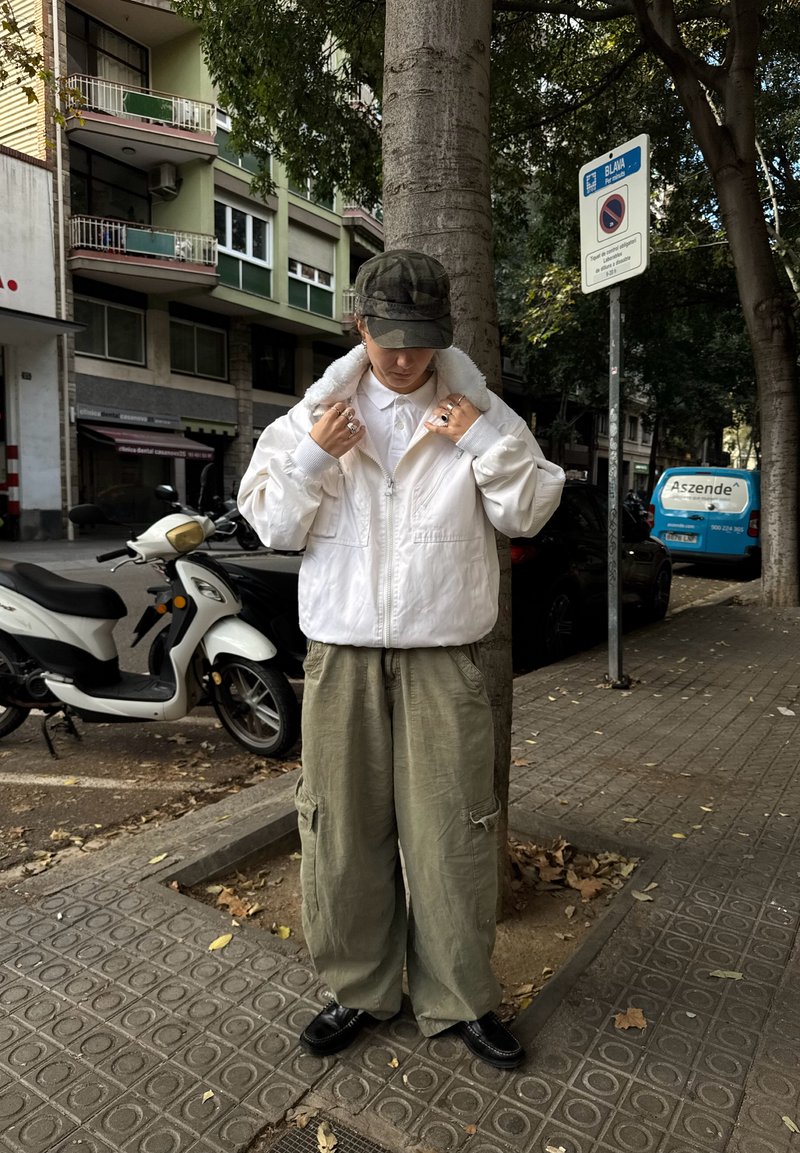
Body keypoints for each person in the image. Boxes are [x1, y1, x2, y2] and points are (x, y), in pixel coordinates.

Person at [238, 250, 565, 1069]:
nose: (406, 357)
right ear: (360, 325)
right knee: (341, 831)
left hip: (444, 658)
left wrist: (482, 439)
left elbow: (530, 508)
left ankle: (459, 995)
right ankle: (359, 988)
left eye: (421, 341)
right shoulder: (312, 415)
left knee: (456, 832)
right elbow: (270, 525)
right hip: (341, 656)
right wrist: (316, 453)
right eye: (390, 339)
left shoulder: (477, 410)